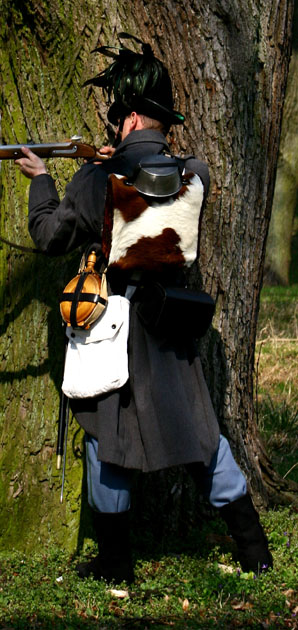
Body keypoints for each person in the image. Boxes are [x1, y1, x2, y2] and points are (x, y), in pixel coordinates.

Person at [15, 35, 273, 585]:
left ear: (129, 118)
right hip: (172, 324)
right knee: (203, 437)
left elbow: (49, 235)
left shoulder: (95, 180)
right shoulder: (195, 172)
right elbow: (153, 177)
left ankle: (115, 564)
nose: (114, 128)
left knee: (108, 442)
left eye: (117, 120)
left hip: (115, 330)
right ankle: (255, 550)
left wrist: (42, 182)